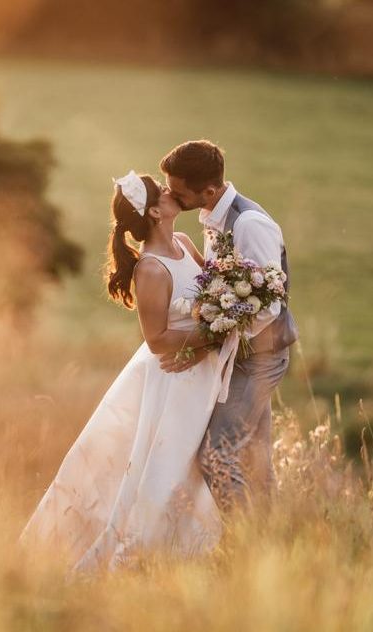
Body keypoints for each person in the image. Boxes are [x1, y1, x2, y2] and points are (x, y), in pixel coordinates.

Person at [18, 170, 235, 575]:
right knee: (171, 463)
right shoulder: (150, 270)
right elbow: (156, 340)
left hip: (201, 368)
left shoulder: (185, 244)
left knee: (199, 460)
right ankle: (151, 556)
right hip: (174, 379)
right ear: (155, 211)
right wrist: (211, 339)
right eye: (163, 192)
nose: (172, 192)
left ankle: (197, 555)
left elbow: (218, 293)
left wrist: (239, 303)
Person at [160, 140, 298, 511]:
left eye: (178, 191)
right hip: (239, 355)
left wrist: (203, 344)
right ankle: (271, 545)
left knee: (217, 456)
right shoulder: (212, 219)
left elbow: (265, 305)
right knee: (256, 461)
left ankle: (245, 543)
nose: (172, 197)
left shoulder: (249, 224)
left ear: (208, 190)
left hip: (260, 358)